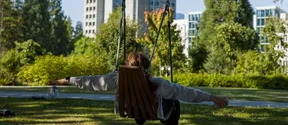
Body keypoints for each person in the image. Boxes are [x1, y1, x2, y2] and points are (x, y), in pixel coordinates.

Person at [50, 52, 229, 125]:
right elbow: (187, 93)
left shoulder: (117, 78)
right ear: (148, 69)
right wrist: (212, 97)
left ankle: (139, 115)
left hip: (133, 111)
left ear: (126, 66)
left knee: (144, 104)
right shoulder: (158, 84)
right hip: (155, 113)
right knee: (174, 98)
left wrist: (65, 80)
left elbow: (92, 82)